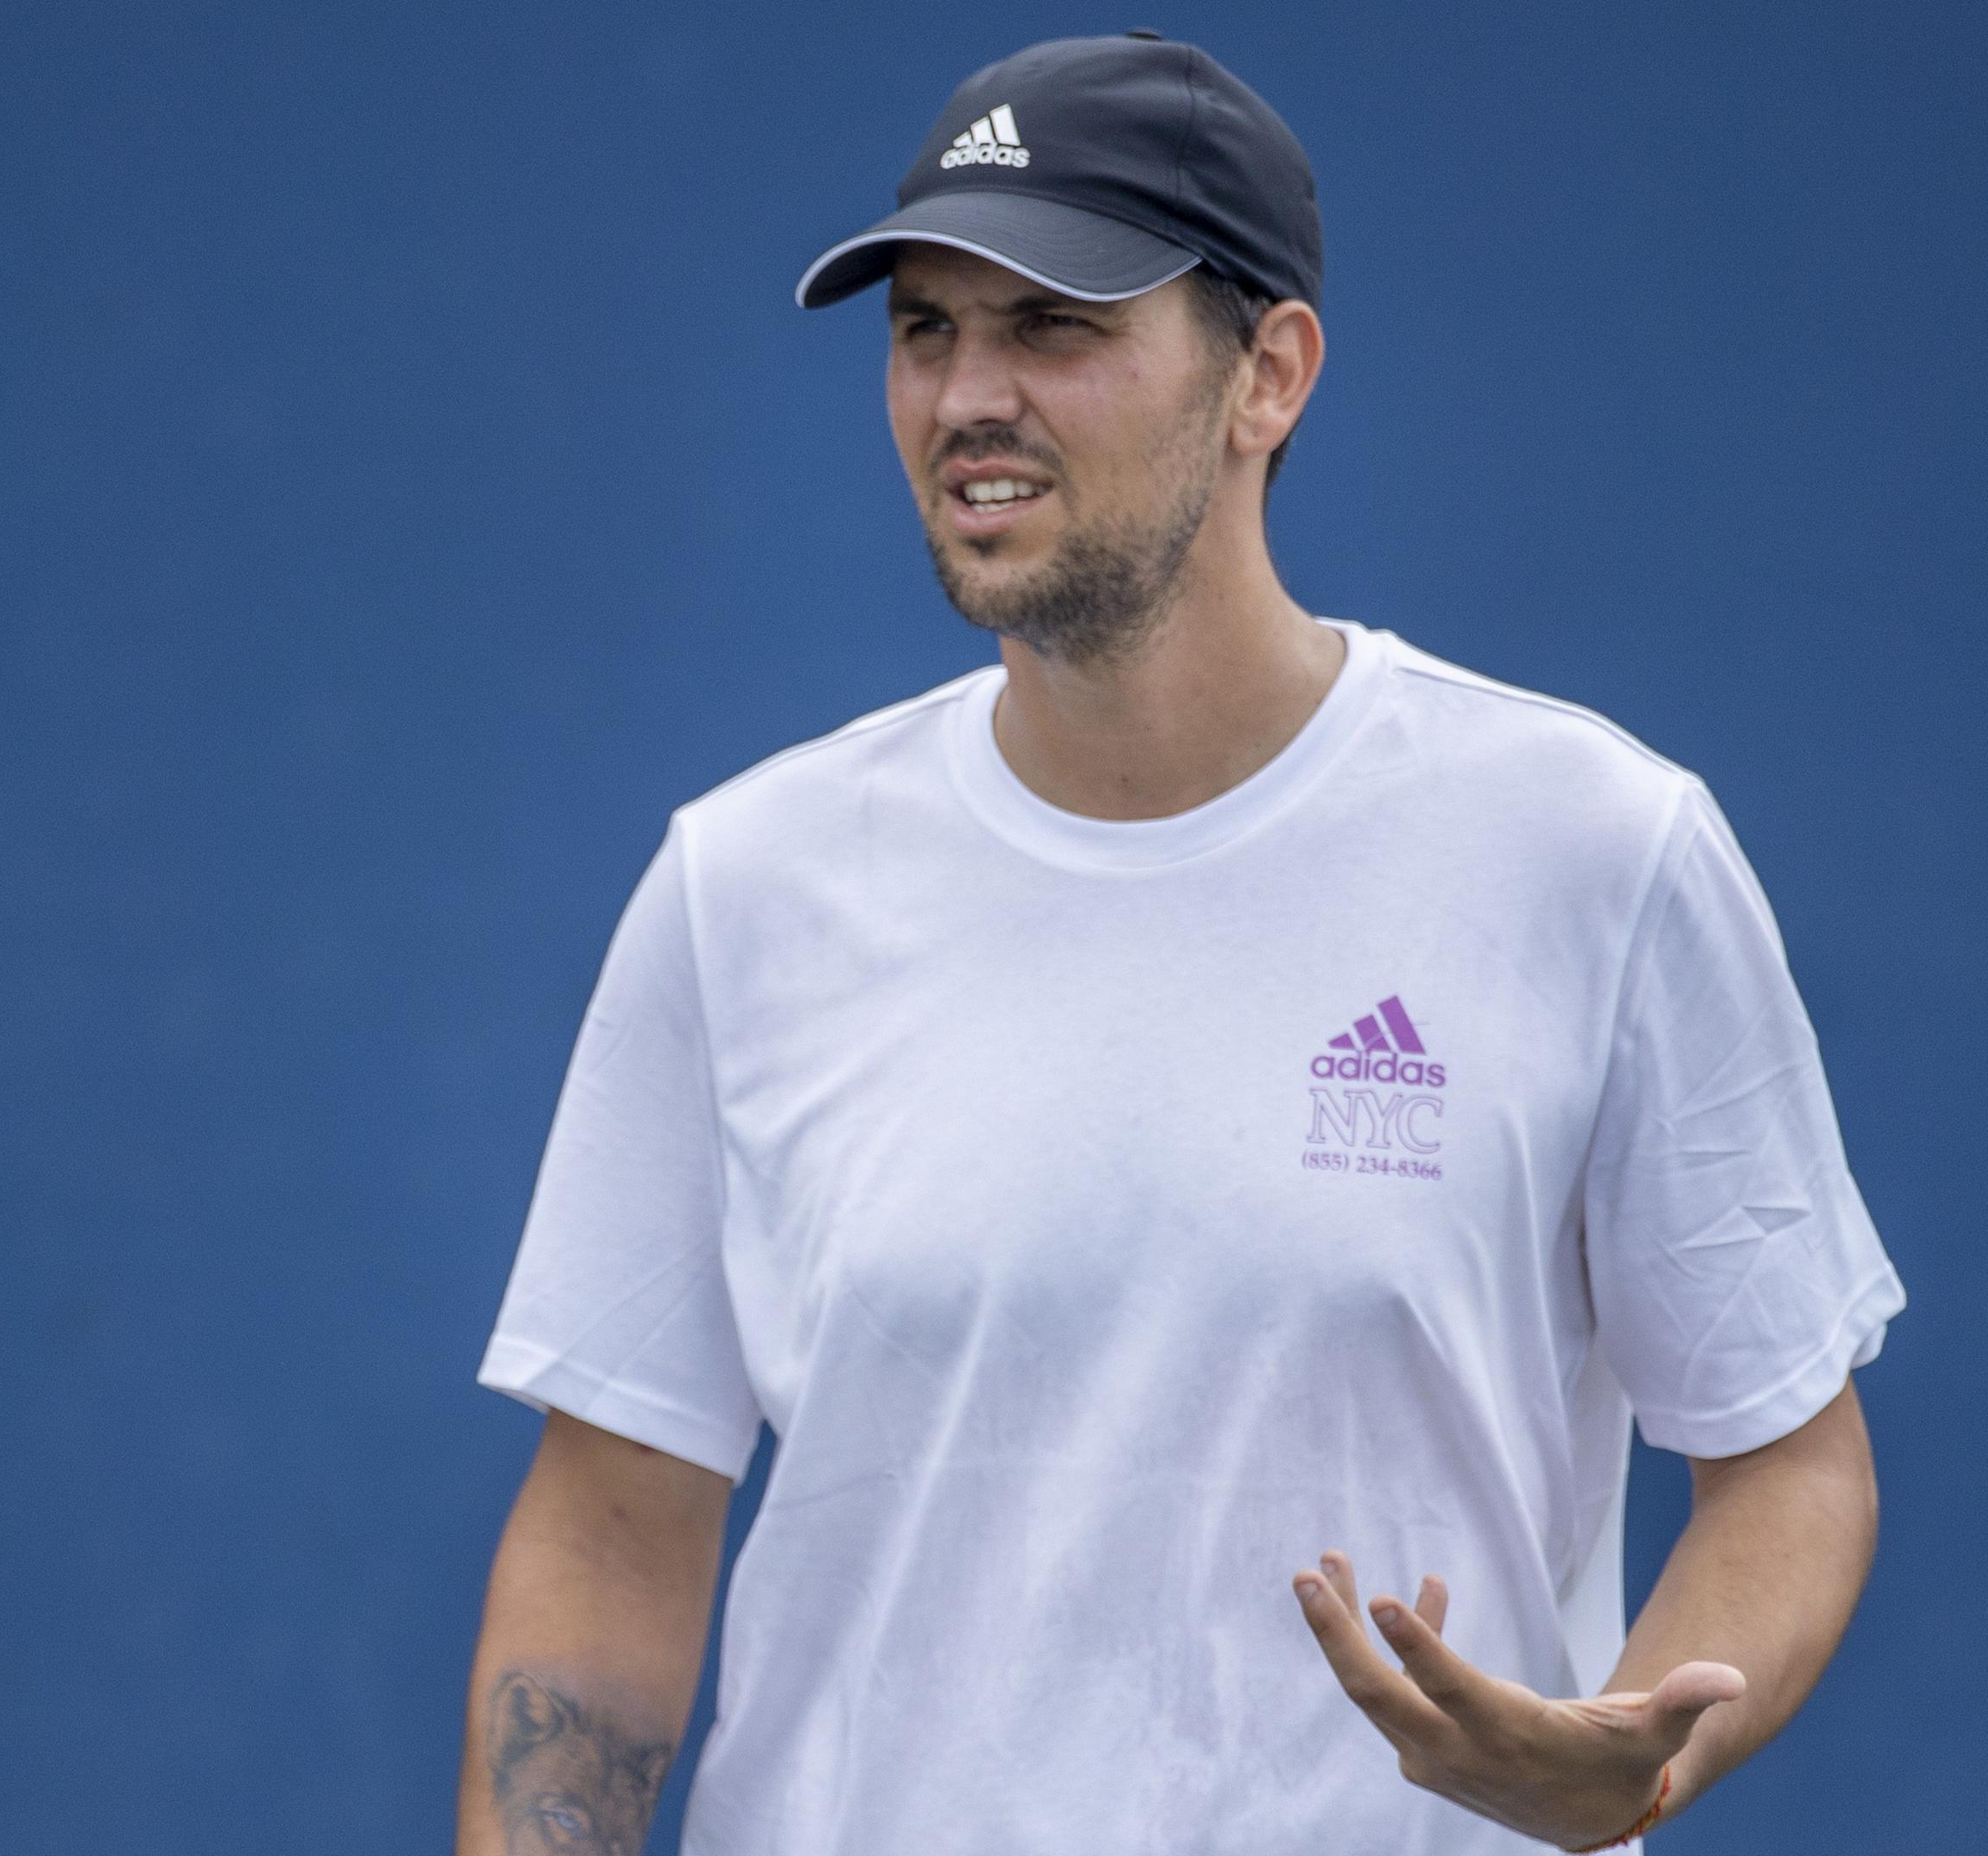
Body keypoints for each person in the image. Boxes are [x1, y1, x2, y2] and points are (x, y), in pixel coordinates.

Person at [458, 34, 1899, 1855]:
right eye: (924, 331)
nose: (968, 393)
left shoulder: (1597, 849)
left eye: (1053, 325)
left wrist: (1631, 1747)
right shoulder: (744, 884)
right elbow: (609, 1530)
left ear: (1267, 374)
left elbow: (1787, 1455)